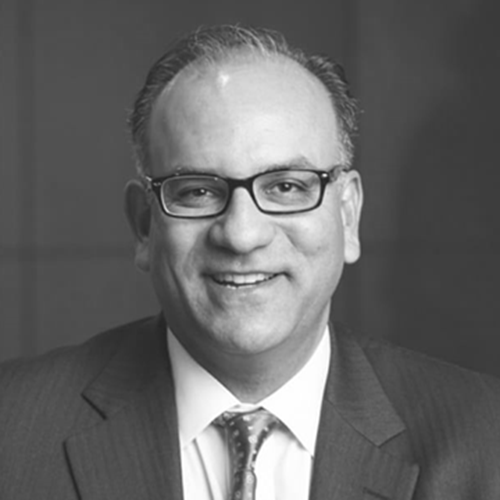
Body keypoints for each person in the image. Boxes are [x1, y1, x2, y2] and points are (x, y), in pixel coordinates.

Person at [1, 24, 500, 500]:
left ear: (347, 216)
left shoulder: (485, 438)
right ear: (144, 226)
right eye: (198, 191)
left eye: (286, 187)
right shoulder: (12, 430)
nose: (241, 235)